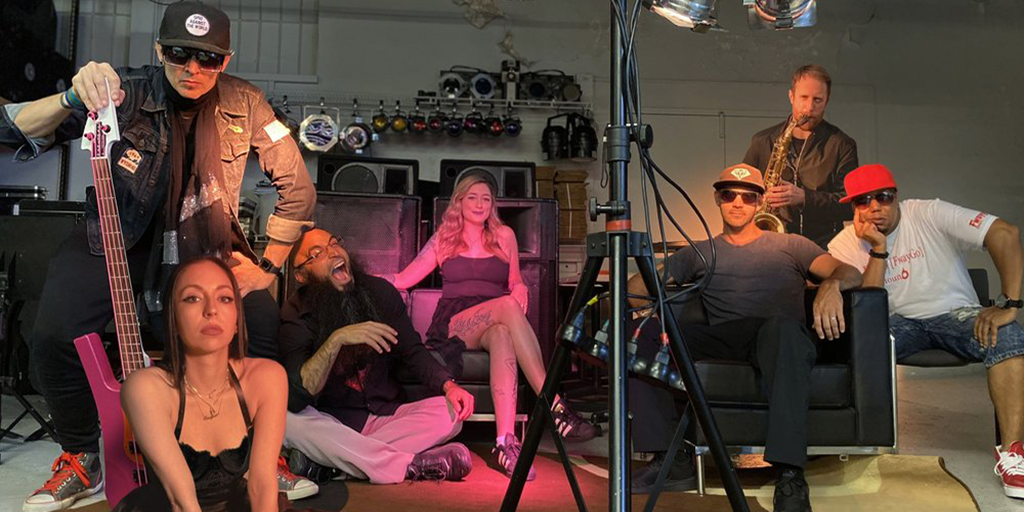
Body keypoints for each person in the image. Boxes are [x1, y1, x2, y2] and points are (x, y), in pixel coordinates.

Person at [3, 3, 316, 510]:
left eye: (208, 59)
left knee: (259, 324)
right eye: (179, 54)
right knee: (53, 333)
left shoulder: (248, 103)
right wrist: (70, 95)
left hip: (205, 243)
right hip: (116, 235)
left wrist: (268, 267)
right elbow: (17, 126)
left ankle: (257, 454)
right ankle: (82, 454)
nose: (193, 69)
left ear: (226, 59)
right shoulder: (123, 91)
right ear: (159, 50)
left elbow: (298, 190)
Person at [626, 164, 862, 512]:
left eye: (748, 197)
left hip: (777, 334)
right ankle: (671, 460)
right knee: (640, 334)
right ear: (717, 199)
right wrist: (653, 301)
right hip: (724, 337)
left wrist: (831, 285)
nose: (737, 203)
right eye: (729, 195)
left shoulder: (792, 244)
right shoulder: (700, 252)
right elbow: (637, 288)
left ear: (760, 202)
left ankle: (790, 475)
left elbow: (850, 272)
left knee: (783, 331)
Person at [827, 163, 1024, 499]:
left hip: (955, 314)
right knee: (861, 341)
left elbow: (1006, 233)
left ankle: (1013, 454)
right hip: (897, 321)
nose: (874, 207)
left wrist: (1010, 304)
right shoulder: (846, 244)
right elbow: (870, 306)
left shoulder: (929, 212)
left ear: (896, 196)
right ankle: (866, 449)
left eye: (883, 197)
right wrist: (877, 248)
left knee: (1008, 335)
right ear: (853, 207)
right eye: (863, 200)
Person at [384, 173, 598, 480]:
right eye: (472, 197)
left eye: (486, 198)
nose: (479, 204)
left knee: (502, 332)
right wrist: (365, 278)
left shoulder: (505, 235)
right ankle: (554, 403)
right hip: (454, 322)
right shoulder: (444, 238)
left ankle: (505, 443)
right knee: (507, 307)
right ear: (459, 201)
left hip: (494, 319)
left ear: (492, 204)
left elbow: (515, 281)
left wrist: (521, 287)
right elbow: (405, 279)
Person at [112, 257, 312, 512]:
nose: (211, 310)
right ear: (173, 320)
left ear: (237, 320)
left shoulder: (267, 377)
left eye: (225, 298)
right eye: (193, 298)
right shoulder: (146, 388)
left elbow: (262, 484)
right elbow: (181, 501)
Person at [278, 228, 476, 484]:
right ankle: (410, 465)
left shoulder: (380, 292)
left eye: (334, 243)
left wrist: (449, 386)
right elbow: (299, 394)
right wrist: (336, 340)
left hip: (385, 416)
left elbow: (413, 351)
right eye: (317, 253)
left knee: (451, 413)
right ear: (301, 275)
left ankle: (334, 463)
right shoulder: (295, 314)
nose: (333, 252)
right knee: (285, 419)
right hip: (334, 422)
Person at [743, 64, 859, 248]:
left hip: (823, 246)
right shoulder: (762, 141)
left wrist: (806, 198)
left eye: (817, 100)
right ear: (791, 96)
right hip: (771, 244)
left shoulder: (842, 144)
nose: (809, 108)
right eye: (803, 98)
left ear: (827, 101)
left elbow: (850, 206)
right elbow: (742, 193)